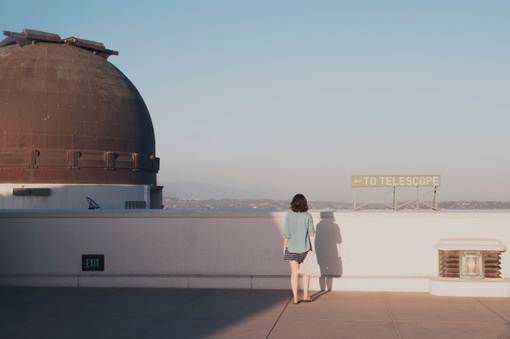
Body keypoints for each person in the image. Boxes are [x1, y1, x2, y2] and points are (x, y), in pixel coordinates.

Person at [283, 193, 315, 304]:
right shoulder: (308, 216)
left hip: (291, 248)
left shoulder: (289, 216)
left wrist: (284, 246)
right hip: (305, 248)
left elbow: (286, 233)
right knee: (306, 272)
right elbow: (311, 233)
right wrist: (312, 248)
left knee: (294, 273)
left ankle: (295, 298)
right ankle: (306, 295)